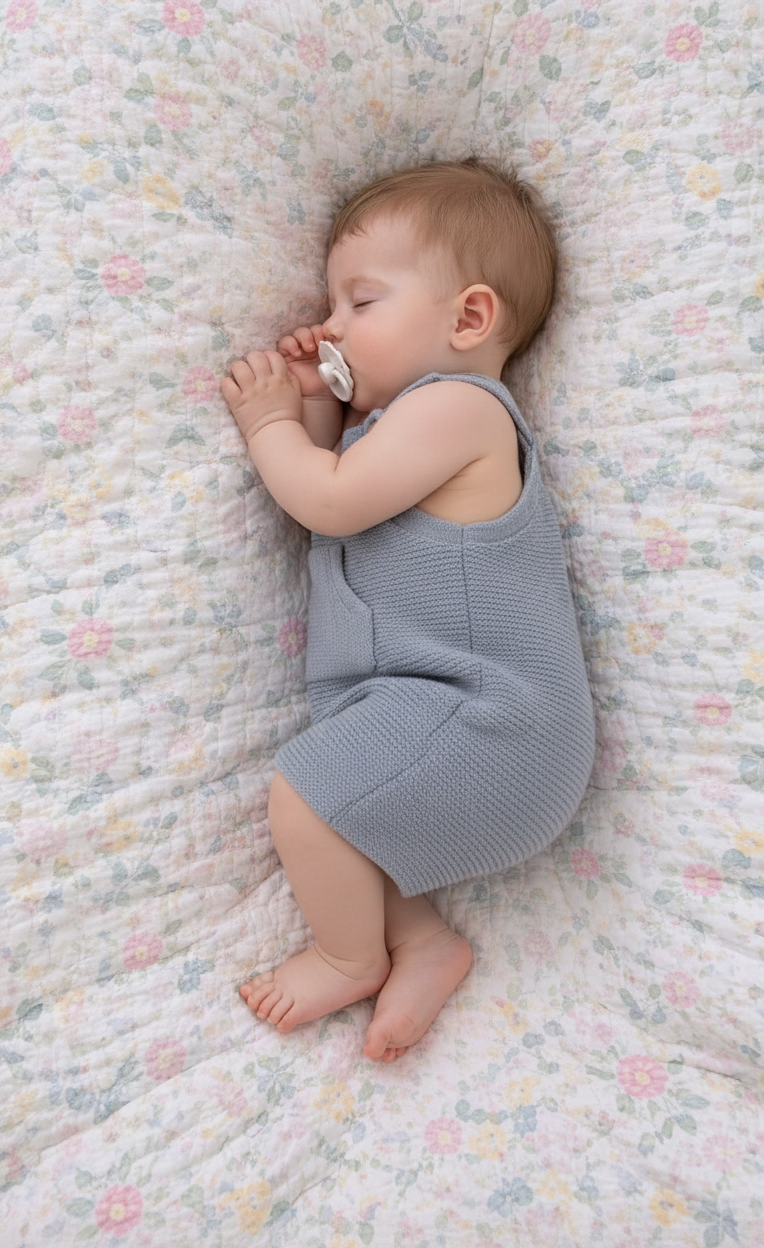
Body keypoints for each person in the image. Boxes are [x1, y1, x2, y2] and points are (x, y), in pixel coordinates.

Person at [220, 156, 595, 1063]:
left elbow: (332, 502)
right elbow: (332, 488)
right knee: (356, 814)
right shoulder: (393, 429)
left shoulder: (461, 409)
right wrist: (317, 413)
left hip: (489, 721)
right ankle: (421, 943)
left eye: (361, 302)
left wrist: (271, 423)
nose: (330, 324)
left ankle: (349, 955)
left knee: (309, 800)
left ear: (469, 317)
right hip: (444, 715)